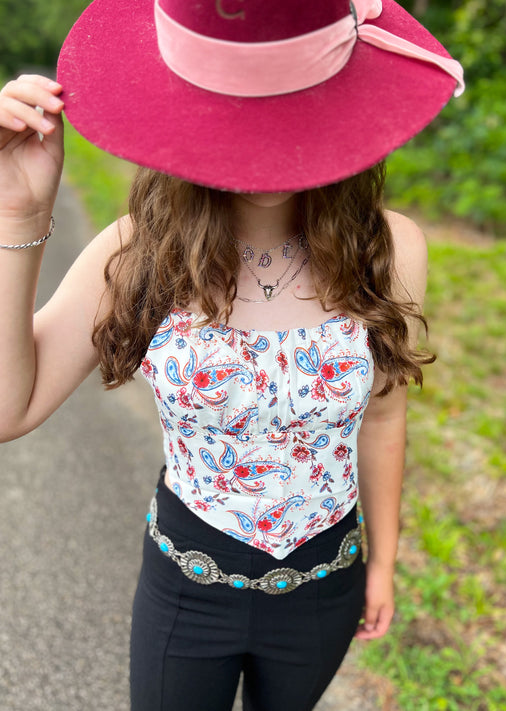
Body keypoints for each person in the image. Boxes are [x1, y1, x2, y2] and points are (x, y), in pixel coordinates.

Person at [0, 1, 464, 709]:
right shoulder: (138, 253)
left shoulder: (390, 248)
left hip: (324, 588)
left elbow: (382, 418)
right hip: (188, 590)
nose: (265, 134)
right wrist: (20, 217)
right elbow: (11, 407)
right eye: (242, 101)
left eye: (287, 101)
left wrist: (385, 565)